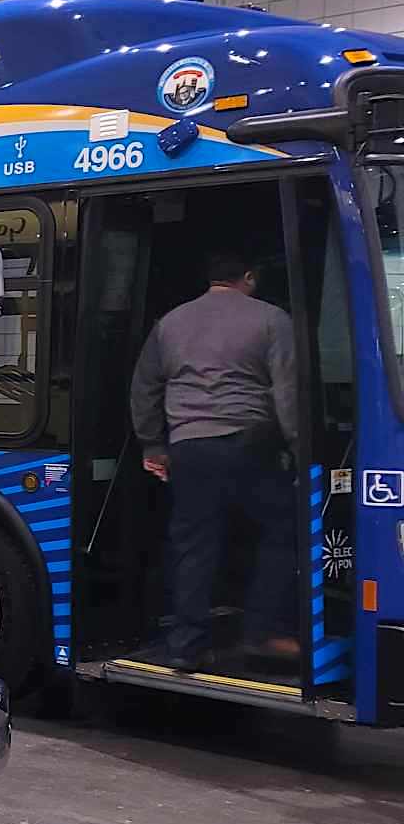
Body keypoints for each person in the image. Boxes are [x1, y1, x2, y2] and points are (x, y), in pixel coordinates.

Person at [128, 249, 299, 671]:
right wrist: (299, 447)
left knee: (194, 544)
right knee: (285, 528)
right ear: (249, 277)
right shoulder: (272, 318)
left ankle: (185, 646)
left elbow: (144, 387)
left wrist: (152, 445)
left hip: (189, 447)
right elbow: (287, 391)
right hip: (250, 442)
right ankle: (262, 631)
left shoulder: (170, 322)